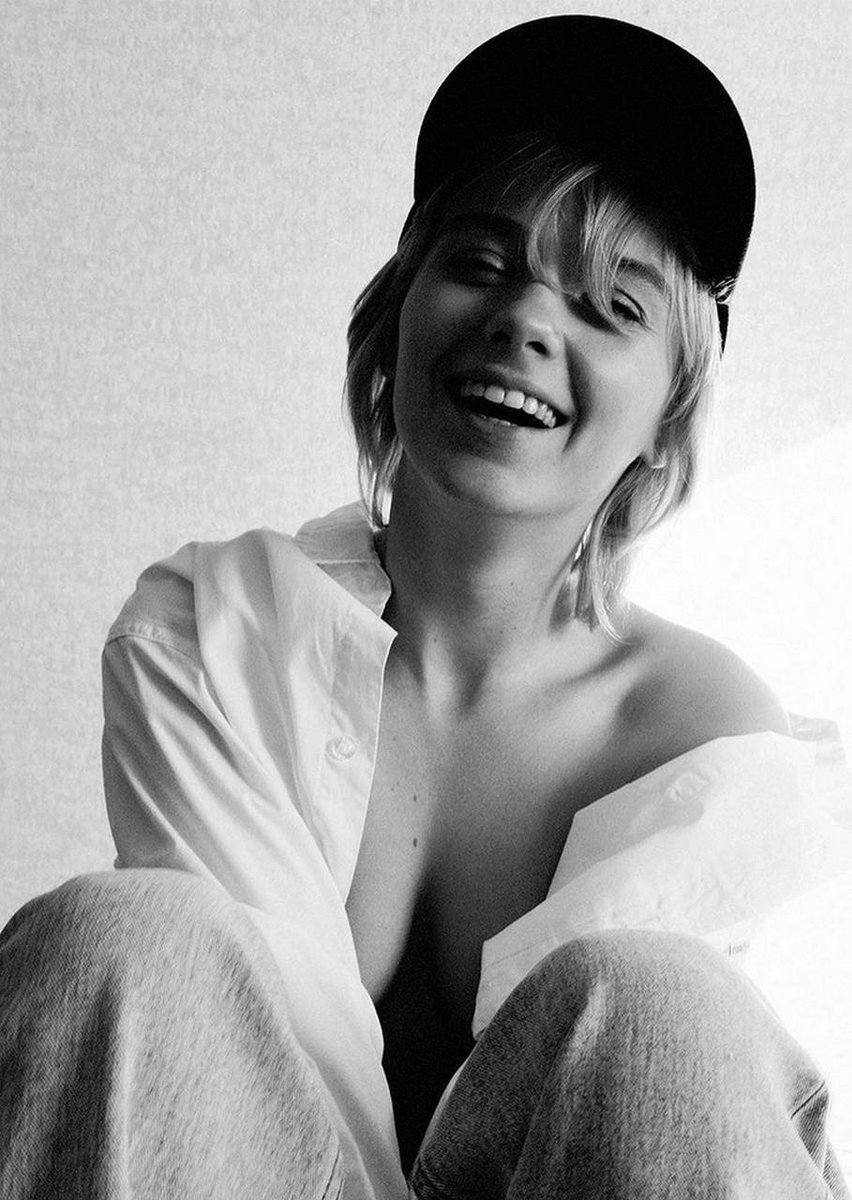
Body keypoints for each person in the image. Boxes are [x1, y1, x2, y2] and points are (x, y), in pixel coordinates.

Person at [1, 15, 850, 1200]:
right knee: (120, 934)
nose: (526, 323)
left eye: (613, 307)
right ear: (401, 304)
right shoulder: (215, 631)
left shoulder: (703, 738)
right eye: (483, 264)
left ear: (671, 405)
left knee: (662, 1009)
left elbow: (634, 1122)